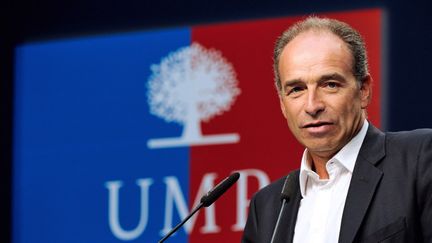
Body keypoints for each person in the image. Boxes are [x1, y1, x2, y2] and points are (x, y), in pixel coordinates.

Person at [242, 17, 432, 243]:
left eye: (330, 84)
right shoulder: (267, 207)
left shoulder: (419, 159)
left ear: (363, 91)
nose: (312, 106)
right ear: (283, 104)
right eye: (296, 89)